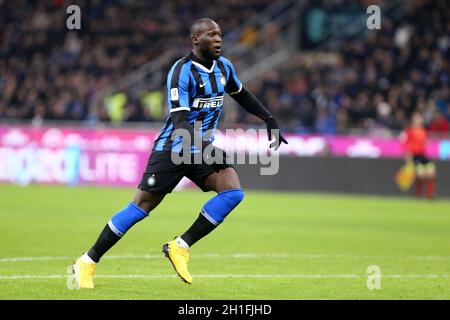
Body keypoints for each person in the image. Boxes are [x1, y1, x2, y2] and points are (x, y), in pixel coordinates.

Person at [72, 18, 288, 288]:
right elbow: (180, 122)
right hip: (174, 148)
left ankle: (180, 246)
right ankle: (87, 261)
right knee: (141, 207)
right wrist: (208, 148)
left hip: (200, 149)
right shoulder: (181, 71)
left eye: (220, 34)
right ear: (196, 40)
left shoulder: (224, 67)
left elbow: (241, 93)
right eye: (211, 35)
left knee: (233, 192)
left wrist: (269, 119)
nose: (218, 39)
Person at [400, 112, 436, 199]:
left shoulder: (424, 131)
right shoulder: (408, 131)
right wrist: (408, 158)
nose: (419, 120)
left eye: (420, 118)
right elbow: (404, 144)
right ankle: (418, 194)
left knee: (431, 172)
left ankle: (430, 195)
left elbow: (425, 144)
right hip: (414, 156)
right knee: (421, 173)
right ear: (413, 120)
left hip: (422, 156)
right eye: (417, 118)